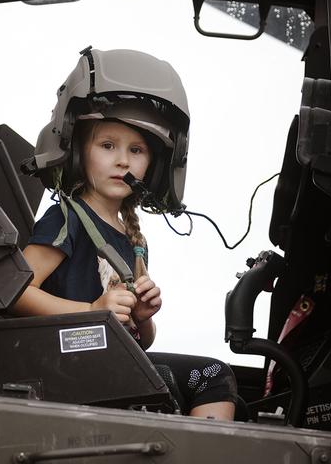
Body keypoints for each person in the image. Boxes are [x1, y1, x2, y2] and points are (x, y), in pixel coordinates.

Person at [14, 47, 237, 420]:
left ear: (152, 165)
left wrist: (145, 316)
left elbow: (140, 341)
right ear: (79, 152)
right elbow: (15, 292)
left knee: (220, 385)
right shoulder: (65, 219)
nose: (123, 160)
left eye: (137, 150)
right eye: (107, 146)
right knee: (191, 378)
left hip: (110, 361)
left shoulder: (135, 240)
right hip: (63, 364)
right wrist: (91, 311)